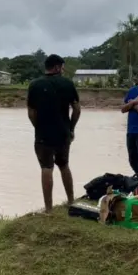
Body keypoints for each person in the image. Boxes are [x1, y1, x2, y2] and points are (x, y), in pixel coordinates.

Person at [27, 54, 81, 211]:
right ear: (57, 67)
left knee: (46, 167)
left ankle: (49, 209)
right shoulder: (67, 84)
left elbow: (31, 112)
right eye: (62, 67)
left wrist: (38, 127)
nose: (63, 70)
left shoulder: (35, 85)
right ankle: (71, 201)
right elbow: (76, 109)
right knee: (64, 165)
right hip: (63, 132)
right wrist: (71, 128)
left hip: (43, 134)